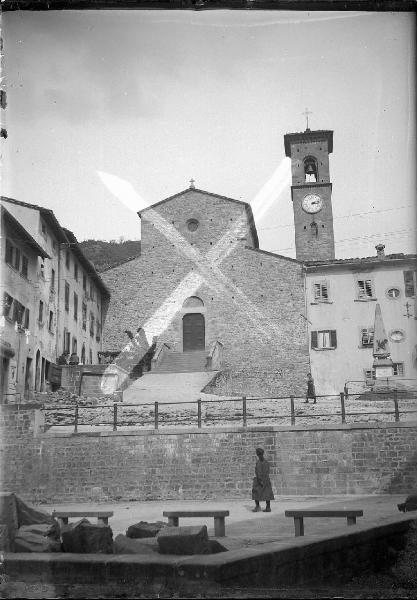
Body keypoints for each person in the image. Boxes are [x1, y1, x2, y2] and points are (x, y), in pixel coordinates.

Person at [251, 447, 274, 512]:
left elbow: (259, 472)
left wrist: (260, 480)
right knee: (266, 493)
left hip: (261, 480)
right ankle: (267, 507)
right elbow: (266, 471)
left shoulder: (259, 463)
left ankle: (259, 507)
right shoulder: (266, 462)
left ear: (257, 454)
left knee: (256, 492)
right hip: (265, 479)